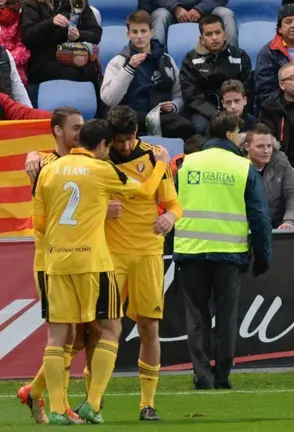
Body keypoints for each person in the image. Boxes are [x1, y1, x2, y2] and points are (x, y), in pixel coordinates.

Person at [31, 118, 170, 424]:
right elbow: (147, 191)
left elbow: (39, 223)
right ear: (104, 145)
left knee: (58, 337)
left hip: (55, 262)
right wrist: (162, 164)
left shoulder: (48, 169)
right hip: (93, 262)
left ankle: (57, 410)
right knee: (109, 329)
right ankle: (93, 405)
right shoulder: (103, 170)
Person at [174, 111, 272, 390]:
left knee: (197, 317)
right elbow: (259, 217)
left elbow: (171, 205)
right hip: (230, 252)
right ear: (230, 134)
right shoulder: (243, 167)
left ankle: (202, 376)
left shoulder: (186, 163)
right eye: (240, 132)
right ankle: (223, 376)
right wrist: (263, 256)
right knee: (226, 317)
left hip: (191, 251)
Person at [105, 105, 181, 421]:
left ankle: (147, 404)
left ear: (137, 132)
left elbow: (175, 204)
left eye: (129, 139)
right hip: (110, 254)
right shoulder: (99, 159)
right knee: (102, 330)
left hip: (148, 252)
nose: (124, 146)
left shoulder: (152, 156)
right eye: (119, 140)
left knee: (149, 326)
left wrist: (169, 216)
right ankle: (93, 401)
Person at [18, 107, 85, 425]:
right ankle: (60, 406)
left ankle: (34, 392)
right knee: (60, 335)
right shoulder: (43, 164)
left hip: (76, 258)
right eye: (75, 127)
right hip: (49, 261)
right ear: (57, 131)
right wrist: (33, 153)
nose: (80, 133)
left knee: (71, 335)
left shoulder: (86, 163)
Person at [100, 10, 196, 141]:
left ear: (152, 32)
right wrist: (129, 69)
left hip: (162, 119)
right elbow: (109, 99)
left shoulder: (167, 60)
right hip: (131, 120)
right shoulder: (119, 61)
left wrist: (174, 106)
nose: (139, 36)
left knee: (188, 127)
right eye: (134, 32)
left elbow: (179, 94)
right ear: (128, 34)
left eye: (143, 31)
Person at [179, 14, 253, 136]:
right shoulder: (191, 59)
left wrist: (230, 108)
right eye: (208, 34)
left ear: (225, 35)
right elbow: (192, 96)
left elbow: (247, 88)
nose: (214, 37)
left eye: (217, 32)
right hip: (204, 112)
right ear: (201, 38)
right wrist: (216, 114)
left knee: (249, 126)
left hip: (234, 107)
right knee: (200, 128)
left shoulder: (239, 56)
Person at [20, 0, 102, 105]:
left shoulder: (79, 2)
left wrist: (79, 35)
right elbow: (28, 37)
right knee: (72, 73)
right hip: (44, 62)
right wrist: (50, 23)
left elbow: (96, 34)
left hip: (74, 56)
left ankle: (97, 116)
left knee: (90, 69)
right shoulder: (32, 4)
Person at [242, 123, 294, 229]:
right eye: (260, 146)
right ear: (247, 147)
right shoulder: (236, 164)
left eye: (269, 146)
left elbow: (293, 194)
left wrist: (290, 221)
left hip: (275, 225)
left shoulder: (281, 161)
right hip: (244, 227)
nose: (266, 151)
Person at [138, 0, 237, 48]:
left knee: (226, 13)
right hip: (171, 13)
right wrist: (175, 7)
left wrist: (200, 9)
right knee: (160, 15)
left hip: (207, 12)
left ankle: (233, 60)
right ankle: (157, 64)